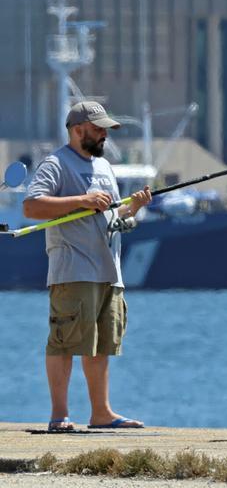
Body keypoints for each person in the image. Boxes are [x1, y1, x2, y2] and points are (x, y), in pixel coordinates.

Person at [23, 101, 152, 431]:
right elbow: (32, 206)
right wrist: (82, 200)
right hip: (73, 269)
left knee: (100, 345)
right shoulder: (56, 164)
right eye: (98, 129)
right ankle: (59, 415)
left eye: (106, 129)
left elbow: (109, 215)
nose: (104, 134)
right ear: (77, 129)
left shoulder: (105, 167)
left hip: (109, 271)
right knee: (65, 341)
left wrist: (132, 209)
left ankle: (101, 414)